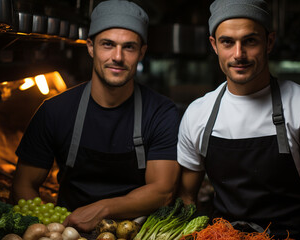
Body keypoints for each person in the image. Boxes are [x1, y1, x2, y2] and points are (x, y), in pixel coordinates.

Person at [177, 0, 300, 239]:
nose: (239, 54)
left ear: (269, 42)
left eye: (250, 41)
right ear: (214, 45)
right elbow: (187, 199)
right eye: (228, 42)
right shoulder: (198, 113)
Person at [11, 0, 180, 232]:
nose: (118, 57)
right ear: (90, 47)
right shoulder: (54, 111)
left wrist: (102, 209)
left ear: (142, 52)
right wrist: (51, 231)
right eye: (108, 44)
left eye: (129, 47)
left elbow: (163, 191)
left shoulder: (161, 113)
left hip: (134, 233)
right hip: (68, 232)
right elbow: (23, 185)